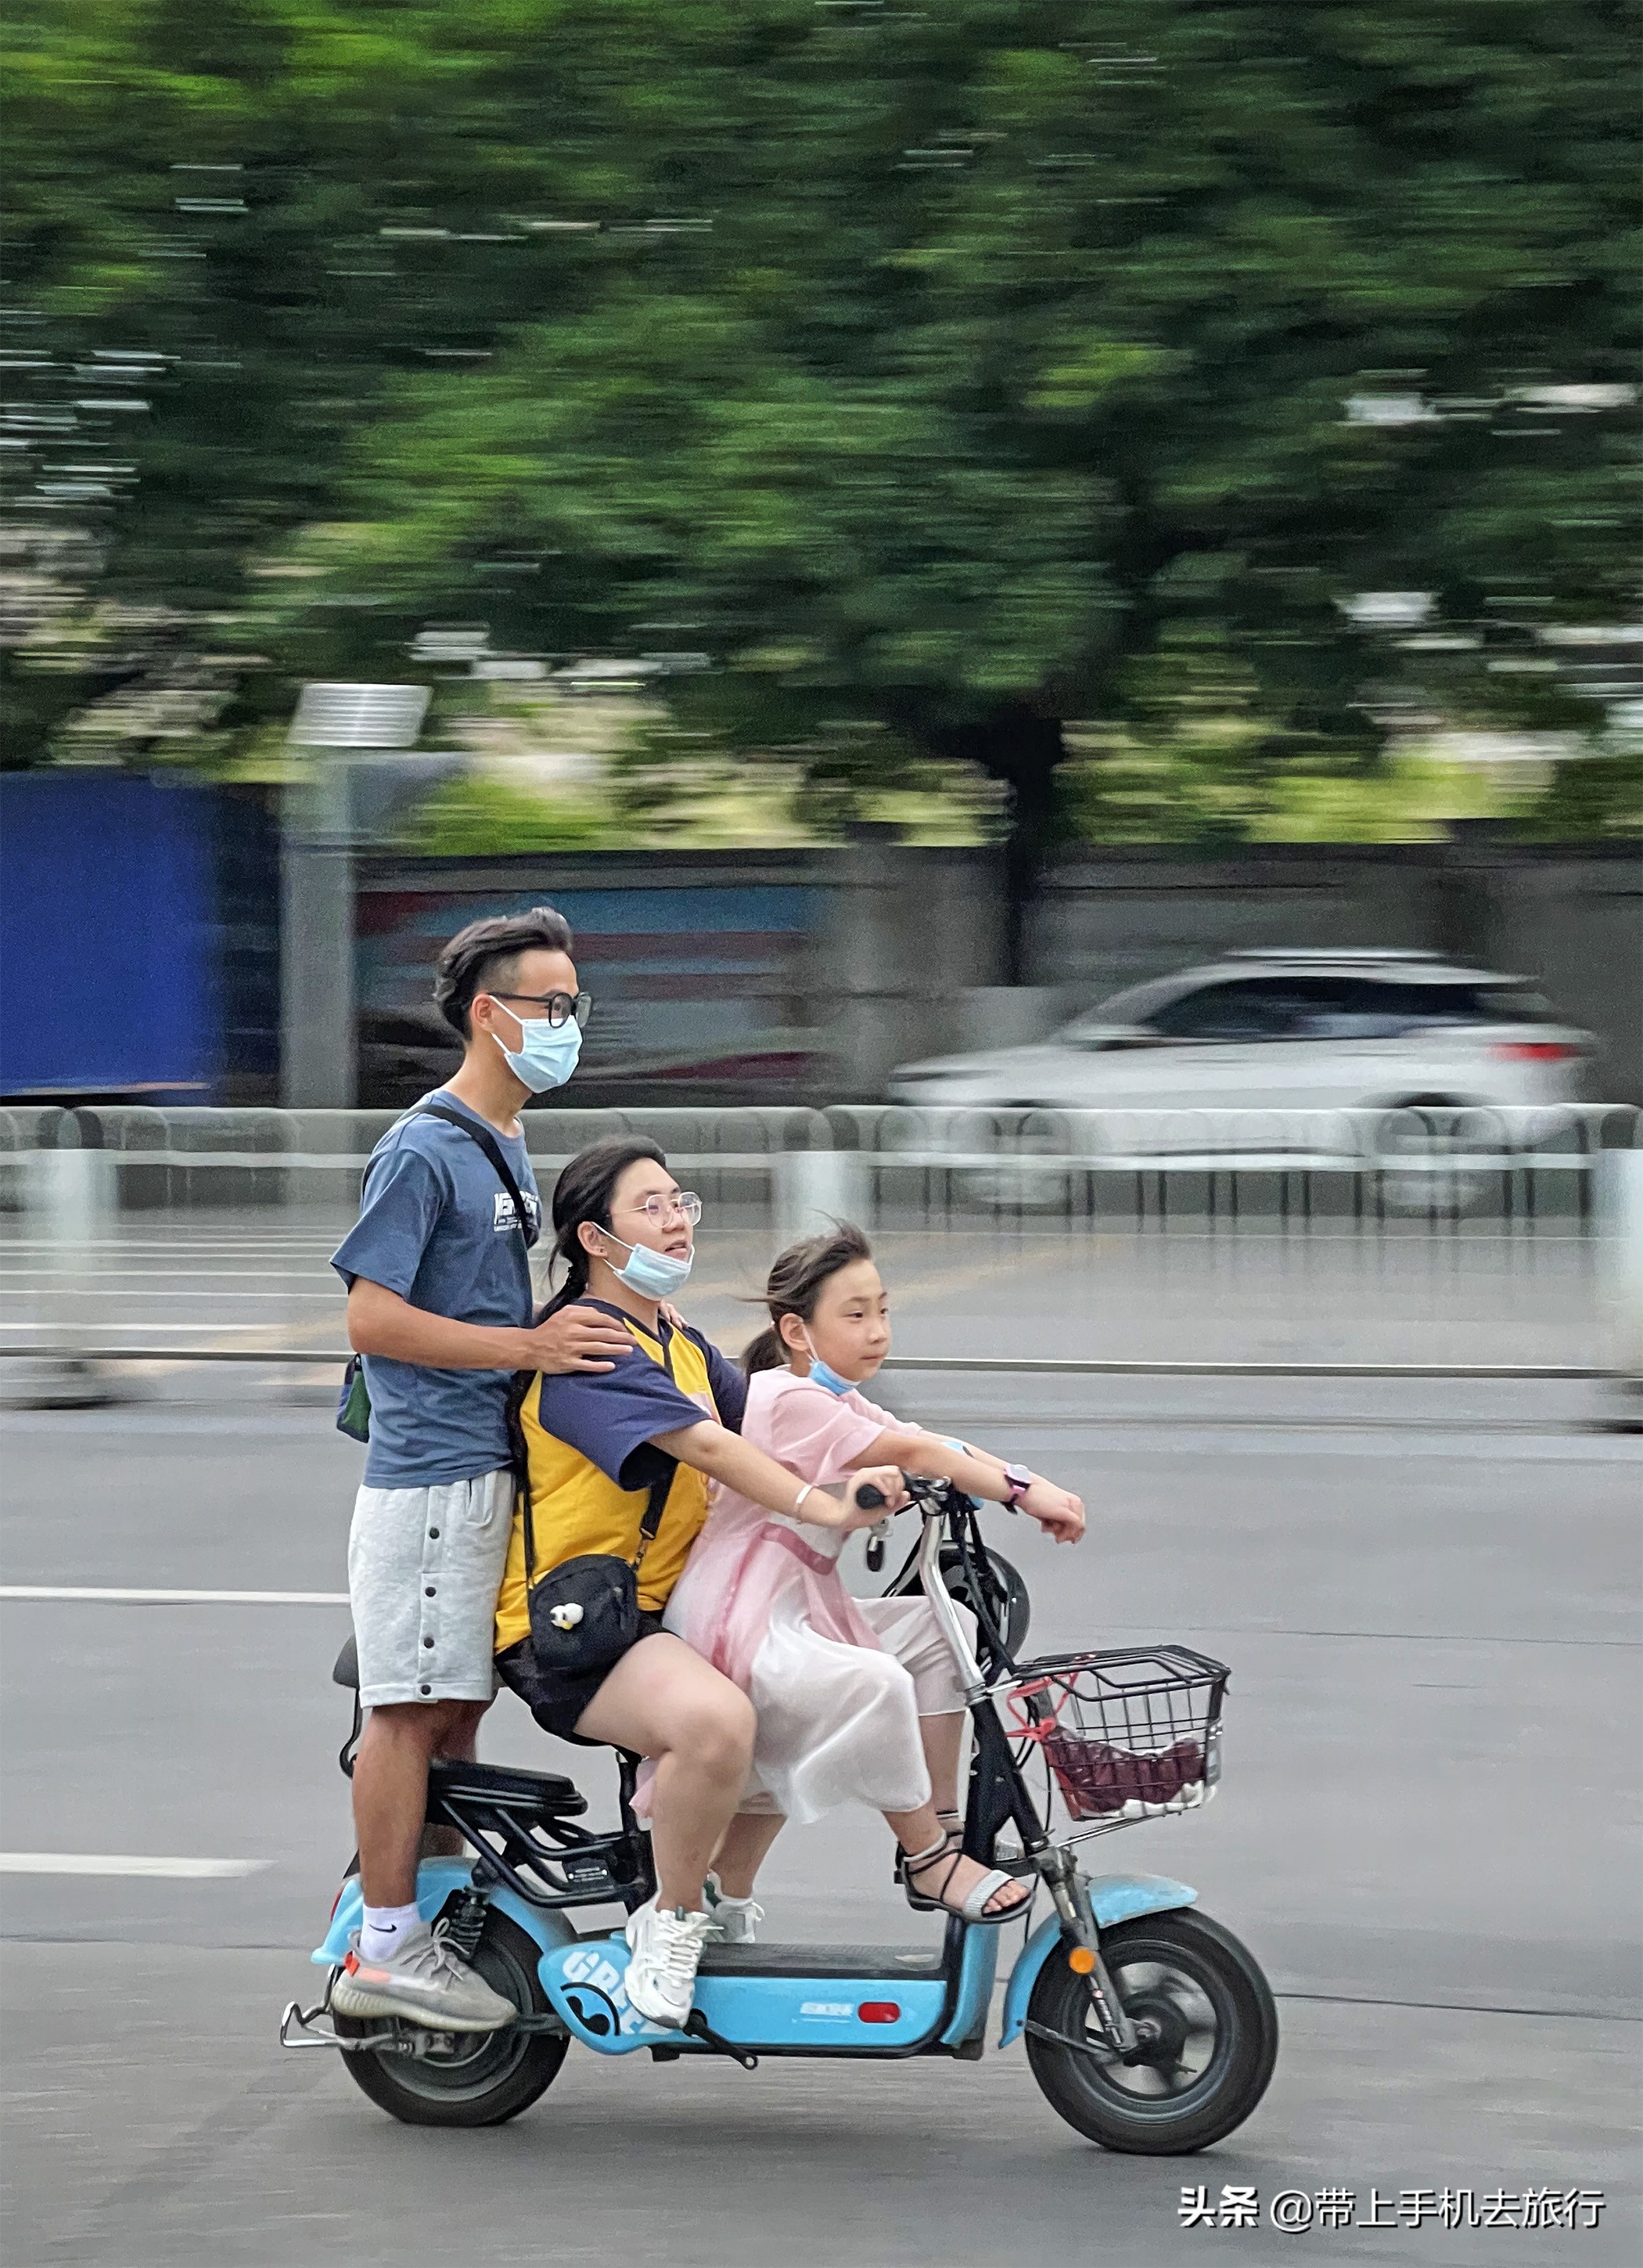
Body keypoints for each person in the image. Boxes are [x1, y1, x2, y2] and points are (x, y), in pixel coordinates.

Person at [491, 1136, 906, 2027]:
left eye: (681, 1201)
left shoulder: (675, 1337)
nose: (677, 1220)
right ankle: (670, 1921)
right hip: (577, 1628)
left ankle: (720, 1896)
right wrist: (822, 1506)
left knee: (805, 1685)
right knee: (720, 1722)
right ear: (596, 1241)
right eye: (652, 1207)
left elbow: (766, 1417)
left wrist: (918, 1461)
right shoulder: (589, 1347)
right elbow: (711, 1445)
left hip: (663, 1615)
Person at [328, 907, 639, 2034]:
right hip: (427, 1477)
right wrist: (530, 1349)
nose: (568, 1024)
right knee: (409, 1712)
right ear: (489, 1013)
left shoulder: (503, 1143)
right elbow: (372, 1315)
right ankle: (385, 1944)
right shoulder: (423, 1145)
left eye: (576, 1005)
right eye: (552, 1005)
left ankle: (432, 1905)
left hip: (484, 1470)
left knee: (456, 1705)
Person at [663, 1222, 1085, 1935]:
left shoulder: (833, 1397)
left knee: (932, 1628)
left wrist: (1029, 1481)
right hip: (737, 1618)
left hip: (790, 1606)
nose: (877, 1330)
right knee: (876, 1680)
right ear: (797, 1330)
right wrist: (1022, 1493)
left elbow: (935, 1445)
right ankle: (928, 1857)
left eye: (882, 1310)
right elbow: (917, 1448)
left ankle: (937, 1835)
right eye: (854, 1315)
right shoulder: (784, 1398)